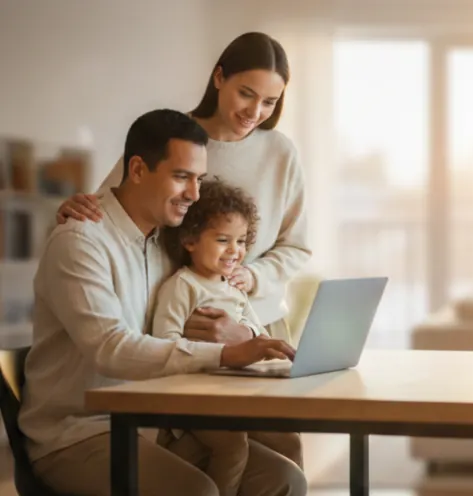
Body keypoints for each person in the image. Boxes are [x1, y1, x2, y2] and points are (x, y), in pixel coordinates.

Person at [54, 31, 310, 467]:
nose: (255, 112)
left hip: (254, 321)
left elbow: (296, 247)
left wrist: (251, 276)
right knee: (214, 451)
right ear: (218, 78)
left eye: (269, 102)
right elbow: (116, 205)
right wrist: (72, 207)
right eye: (246, 94)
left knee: (280, 453)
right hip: (182, 317)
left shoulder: (280, 152)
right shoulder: (175, 139)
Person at [20, 108, 307, 496]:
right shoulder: (80, 243)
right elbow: (110, 348)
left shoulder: (168, 244)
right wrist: (224, 355)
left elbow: (220, 297)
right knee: (196, 491)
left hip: (155, 425)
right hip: (81, 434)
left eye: (199, 179)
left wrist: (244, 336)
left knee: (283, 478)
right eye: (181, 177)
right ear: (137, 170)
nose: (194, 193)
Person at [151, 178, 301, 496]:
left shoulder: (231, 286)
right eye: (223, 240)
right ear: (190, 239)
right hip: (195, 403)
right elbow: (164, 344)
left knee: (287, 437)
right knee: (232, 444)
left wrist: (272, 347)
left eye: (242, 241)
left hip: (235, 395)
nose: (235, 251)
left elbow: (257, 334)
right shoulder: (182, 287)